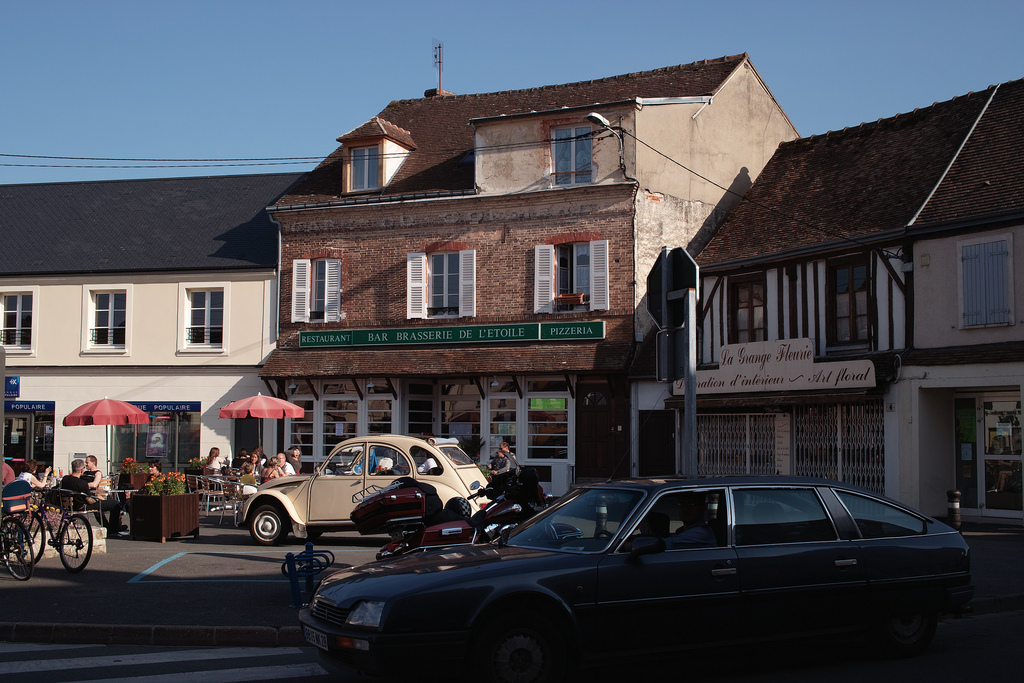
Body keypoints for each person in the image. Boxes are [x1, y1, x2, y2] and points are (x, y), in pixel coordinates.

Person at [60, 458, 121, 536]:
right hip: (82, 506)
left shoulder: (64, 479)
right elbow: (89, 500)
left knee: (101, 505)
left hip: (69, 506)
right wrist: (98, 499)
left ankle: (108, 527)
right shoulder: (82, 483)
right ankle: (112, 530)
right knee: (115, 503)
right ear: (82, 470)